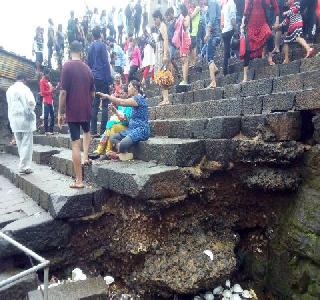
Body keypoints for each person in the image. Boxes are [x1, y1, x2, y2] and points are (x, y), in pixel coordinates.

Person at [58, 41, 95, 189]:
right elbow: (92, 93)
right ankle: (85, 156)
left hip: (72, 110)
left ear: (69, 51)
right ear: (81, 52)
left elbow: (62, 92)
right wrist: (87, 102)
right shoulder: (88, 69)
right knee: (87, 132)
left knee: (75, 144)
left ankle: (79, 181)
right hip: (86, 108)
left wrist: (61, 112)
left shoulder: (67, 66)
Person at [97, 80, 150, 161]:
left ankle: (119, 153)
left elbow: (121, 101)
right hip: (131, 129)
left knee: (123, 144)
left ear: (135, 88)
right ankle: (122, 153)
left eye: (129, 86)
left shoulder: (139, 99)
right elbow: (126, 119)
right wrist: (115, 112)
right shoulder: (134, 100)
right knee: (112, 137)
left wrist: (107, 96)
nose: (128, 88)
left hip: (141, 129)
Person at [240, 0, 279, 82]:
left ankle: (270, 58)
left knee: (269, 36)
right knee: (247, 50)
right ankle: (245, 76)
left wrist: (277, 20)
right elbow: (245, 9)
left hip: (263, 23)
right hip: (251, 25)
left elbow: (275, 5)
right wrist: (242, 23)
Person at [6, 72, 36, 175]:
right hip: (25, 119)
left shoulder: (9, 90)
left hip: (13, 119)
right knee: (27, 143)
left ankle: (22, 164)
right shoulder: (25, 89)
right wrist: (30, 110)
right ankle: (24, 166)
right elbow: (31, 102)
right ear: (24, 80)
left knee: (19, 143)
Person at [88, 27, 112, 137]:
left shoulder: (90, 47)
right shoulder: (102, 45)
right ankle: (103, 131)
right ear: (100, 35)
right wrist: (109, 79)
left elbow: (89, 64)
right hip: (103, 77)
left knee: (95, 105)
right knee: (105, 104)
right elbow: (106, 63)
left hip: (94, 77)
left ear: (93, 36)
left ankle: (93, 130)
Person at [153, 10, 170, 105]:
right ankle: (165, 98)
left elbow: (166, 40)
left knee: (163, 75)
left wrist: (165, 55)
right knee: (160, 75)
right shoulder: (160, 27)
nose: (155, 21)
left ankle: (166, 99)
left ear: (159, 17)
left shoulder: (163, 26)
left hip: (162, 53)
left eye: (155, 19)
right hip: (159, 54)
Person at [204, 0, 221, 88]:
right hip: (213, 34)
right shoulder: (210, 5)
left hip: (214, 35)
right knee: (207, 55)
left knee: (209, 57)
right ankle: (215, 69)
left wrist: (207, 34)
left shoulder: (212, 3)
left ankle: (213, 82)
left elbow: (213, 19)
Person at [174, 4, 191, 85]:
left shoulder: (187, 17)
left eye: (180, 10)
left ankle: (185, 80)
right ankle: (184, 79)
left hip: (186, 39)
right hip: (181, 40)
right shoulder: (181, 17)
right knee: (182, 60)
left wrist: (182, 19)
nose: (179, 11)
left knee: (185, 60)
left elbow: (186, 25)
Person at [221, 0, 237, 75]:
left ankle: (225, 71)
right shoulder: (231, 3)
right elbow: (232, 18)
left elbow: (222, 21)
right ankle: (238, 64)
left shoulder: (224, 5)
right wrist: (236, 29)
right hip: (230, 29)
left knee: (226, 51)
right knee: (236, 45)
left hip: (224, 31)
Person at [165, 8, 179, 78]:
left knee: (171, 59)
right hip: (170, 44)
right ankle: (175, 72)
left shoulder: (176, 21)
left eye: (167, 16)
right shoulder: (169, 23)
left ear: (171, 14)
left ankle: (178, 71)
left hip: (174, 43)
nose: (166, 18)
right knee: (171, 59)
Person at [39, 69, 54, 135]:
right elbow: (42, 93)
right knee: (46, 116)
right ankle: (46, 131)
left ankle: (51, 130)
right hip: (46, 101)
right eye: (48, 74)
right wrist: (50, 91)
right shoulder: (42, 81)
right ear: (45, 74)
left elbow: (50, 90)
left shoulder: (47, 81)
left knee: (52, 116)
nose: (49, 75)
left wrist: (53, 89)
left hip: (50, 100)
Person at [189, 1, 201, 66]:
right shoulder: (193, 9)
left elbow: (191, 16)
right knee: (191, 48)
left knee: (193, 47)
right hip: (191, 31)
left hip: (195, 30)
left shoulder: (197, 8)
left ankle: (193, 62)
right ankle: (192, 62)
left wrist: (188, 15)